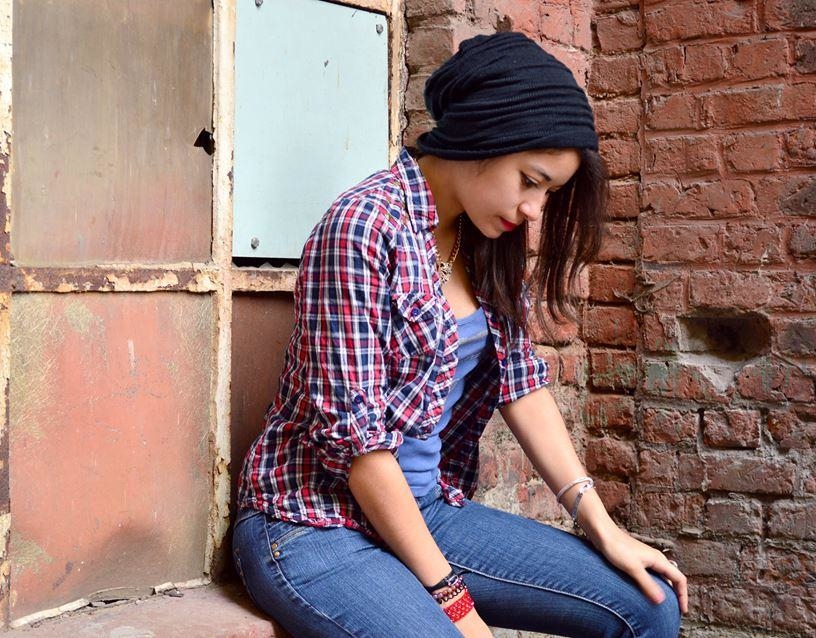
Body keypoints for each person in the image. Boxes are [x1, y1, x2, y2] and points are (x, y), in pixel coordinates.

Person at [233, 31, 687, 638]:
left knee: (648, 605)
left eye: (548, 193)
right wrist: (456, 605)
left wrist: (604, 529)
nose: (534, 209)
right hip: (315, 523)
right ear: (482, 136)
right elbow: (360, 446)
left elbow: (522, 384)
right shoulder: (362, 227)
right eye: (530, 180)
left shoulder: (485, 238)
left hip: (427, 512)